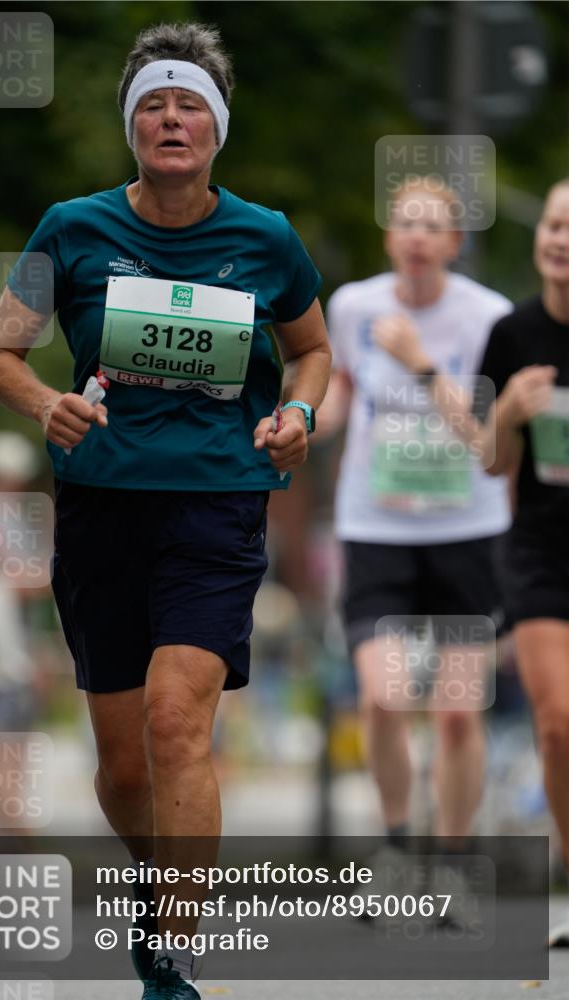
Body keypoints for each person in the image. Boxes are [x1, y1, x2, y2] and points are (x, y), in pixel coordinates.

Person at [0, 21, 331, 998]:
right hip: (101, 512)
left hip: (217, 508)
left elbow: (311, 349)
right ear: (130, 125)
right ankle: (155, 885)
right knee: (126, 766)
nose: (170, 119)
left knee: (179, 721)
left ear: (216, 127)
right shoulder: (71, 228)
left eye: (188, 106)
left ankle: (171, 961)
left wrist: (299, 411)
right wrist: (43, 401)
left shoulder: (264, 239)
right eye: (152, 104)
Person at [377, 178, 569, 945]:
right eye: (554, 225)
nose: (559, 239)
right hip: (540, 555)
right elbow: (490, 461)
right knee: (556, 727)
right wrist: (514, 415)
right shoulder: (512, 333)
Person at [321, 176, 512, 918]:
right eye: (405, 222)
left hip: (467, 529)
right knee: (380, 693)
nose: (418, 236)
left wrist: (421, 366)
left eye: (434, 225)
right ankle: (397, 846)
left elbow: (485, 437)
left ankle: (455, 863)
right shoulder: (353, 307)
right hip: (375, 527)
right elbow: (341, 389)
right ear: (388, 237)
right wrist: (306, 421)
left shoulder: (487, 318)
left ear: (455, 244)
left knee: (458, 712)